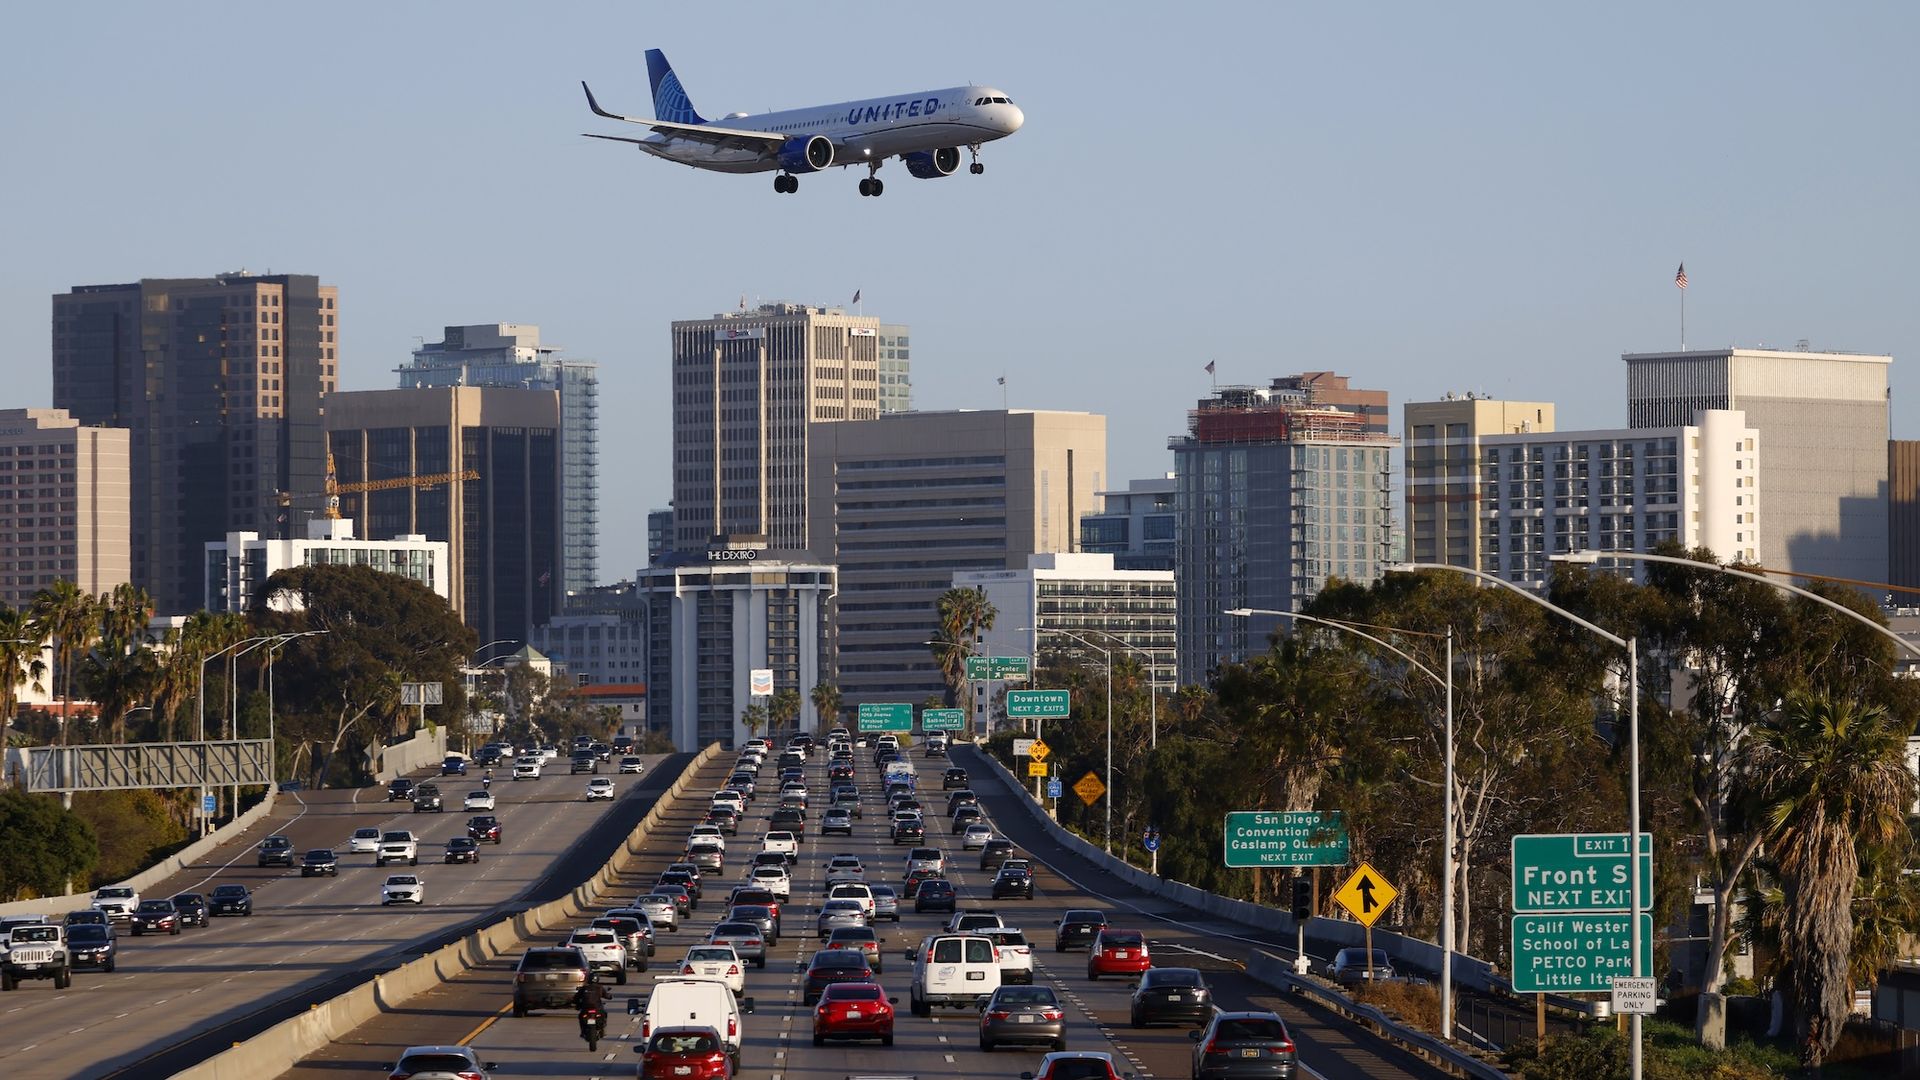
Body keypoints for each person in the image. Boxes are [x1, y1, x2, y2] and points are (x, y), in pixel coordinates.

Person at [575, 981, 608, 1050]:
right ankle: (602, 1030)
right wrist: (609, 996)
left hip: (586, 1010)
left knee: (581, 1016)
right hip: (597, 1009)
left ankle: (583, 1031)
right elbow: (607, 996)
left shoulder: (584, 988)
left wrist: (577, 1003)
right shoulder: (599, 987)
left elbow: (576, 998)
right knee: (604, 1014)